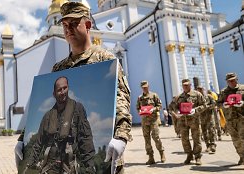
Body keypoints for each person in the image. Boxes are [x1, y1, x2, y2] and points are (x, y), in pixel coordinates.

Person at [15, 2, 132, 174]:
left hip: (106, 154)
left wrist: (121, 137)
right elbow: (42, 114)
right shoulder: (59, 68)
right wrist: (22, 139)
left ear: (88, 25)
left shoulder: (105, 59)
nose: (68, 29)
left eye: (73, 23)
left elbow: (121, 99)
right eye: (64, 25)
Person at [26, 76, 95, 173]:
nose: (63, 92)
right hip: (50, 167)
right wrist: (28, 165)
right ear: (54, 94)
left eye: (65, 88)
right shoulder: (48, 116)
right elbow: (38, 144)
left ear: (68, 88)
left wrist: (90, 166)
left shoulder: (77, 109)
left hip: (68, 166)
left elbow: (85, 139)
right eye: (59, 90)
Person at [175, 79, 206, 165]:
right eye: (184, 85)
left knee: (196, 138)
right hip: (183, 121)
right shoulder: (179, 97)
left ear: (190, 85)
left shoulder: (197, 94)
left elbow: (204, 105)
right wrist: (177, 111)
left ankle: (198, 157)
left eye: (187, 85)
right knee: (184, 139)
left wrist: (195, 110)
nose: (185, 87)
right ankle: (189, 155)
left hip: (194, 120)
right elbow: (175, 107)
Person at [217, 72, 244, 165]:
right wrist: (223, 105)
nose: (232, 82)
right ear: (227, 82)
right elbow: (218, 103)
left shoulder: (243, 89)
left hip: (242, 119)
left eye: (233, 80)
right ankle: (242, 156)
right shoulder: (223, 92)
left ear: (237, 79)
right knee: (236, 140)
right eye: (229, 81)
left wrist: (243, 103)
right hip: (230, 120)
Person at [136, 81, 165, 165]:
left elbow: (159, 105)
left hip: (153, 120)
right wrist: (140, 111)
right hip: (144, 121)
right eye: (143, 87)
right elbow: (137, 107)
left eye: (146, 87)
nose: (144, 88)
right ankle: (151, 157)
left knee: (156, 137)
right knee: (147, 139)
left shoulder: (154, 95)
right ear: (141, 88)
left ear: (148, 86)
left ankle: (161, 153)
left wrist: (154, 109)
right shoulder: (140, 98)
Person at [196, 86, 216, 154]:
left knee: (211, 130)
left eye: (201, 89)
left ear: (203, 89)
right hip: (201, 118)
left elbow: (214, 104)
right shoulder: (197, 98)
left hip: (209, 117)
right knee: (204, 132)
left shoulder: (209, 96)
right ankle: (207, 145)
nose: (200, 91)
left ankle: (213, 145)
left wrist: (207, 107)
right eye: (198, 90)